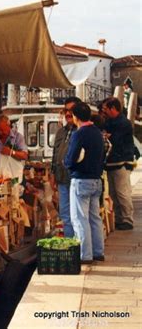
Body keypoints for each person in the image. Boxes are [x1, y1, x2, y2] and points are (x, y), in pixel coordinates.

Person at [64, 102, 105, 264]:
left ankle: (85, 255)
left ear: (76, 117)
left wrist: (66, 162)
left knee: (79, 218)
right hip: (96, 179)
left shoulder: (79, 134)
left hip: (81, 180)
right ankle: (98, 252)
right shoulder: (97, 132)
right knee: (94, 217)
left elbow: (71, 157)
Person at [101, 97, 135, 230]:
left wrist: (109, 136)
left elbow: (116, 140)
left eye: (105, 109)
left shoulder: (123, 123)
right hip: (111, 163)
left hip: (121, 162)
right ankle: (119, 218)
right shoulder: (109, 121)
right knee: (114, 193)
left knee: (122, 192)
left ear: (113, 108)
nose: (103, 111)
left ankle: (127, 219)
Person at [50, 96, 81, 238]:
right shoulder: (60, 132)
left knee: (77, 214)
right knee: (64, 213)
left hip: (76, 178)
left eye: (71, 110)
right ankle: (70, 243)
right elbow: (55, 153)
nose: (68, 114)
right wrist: (52, 174)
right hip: (62, 179)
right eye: (66, 110)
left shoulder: (81, 131)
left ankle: (80, 244)